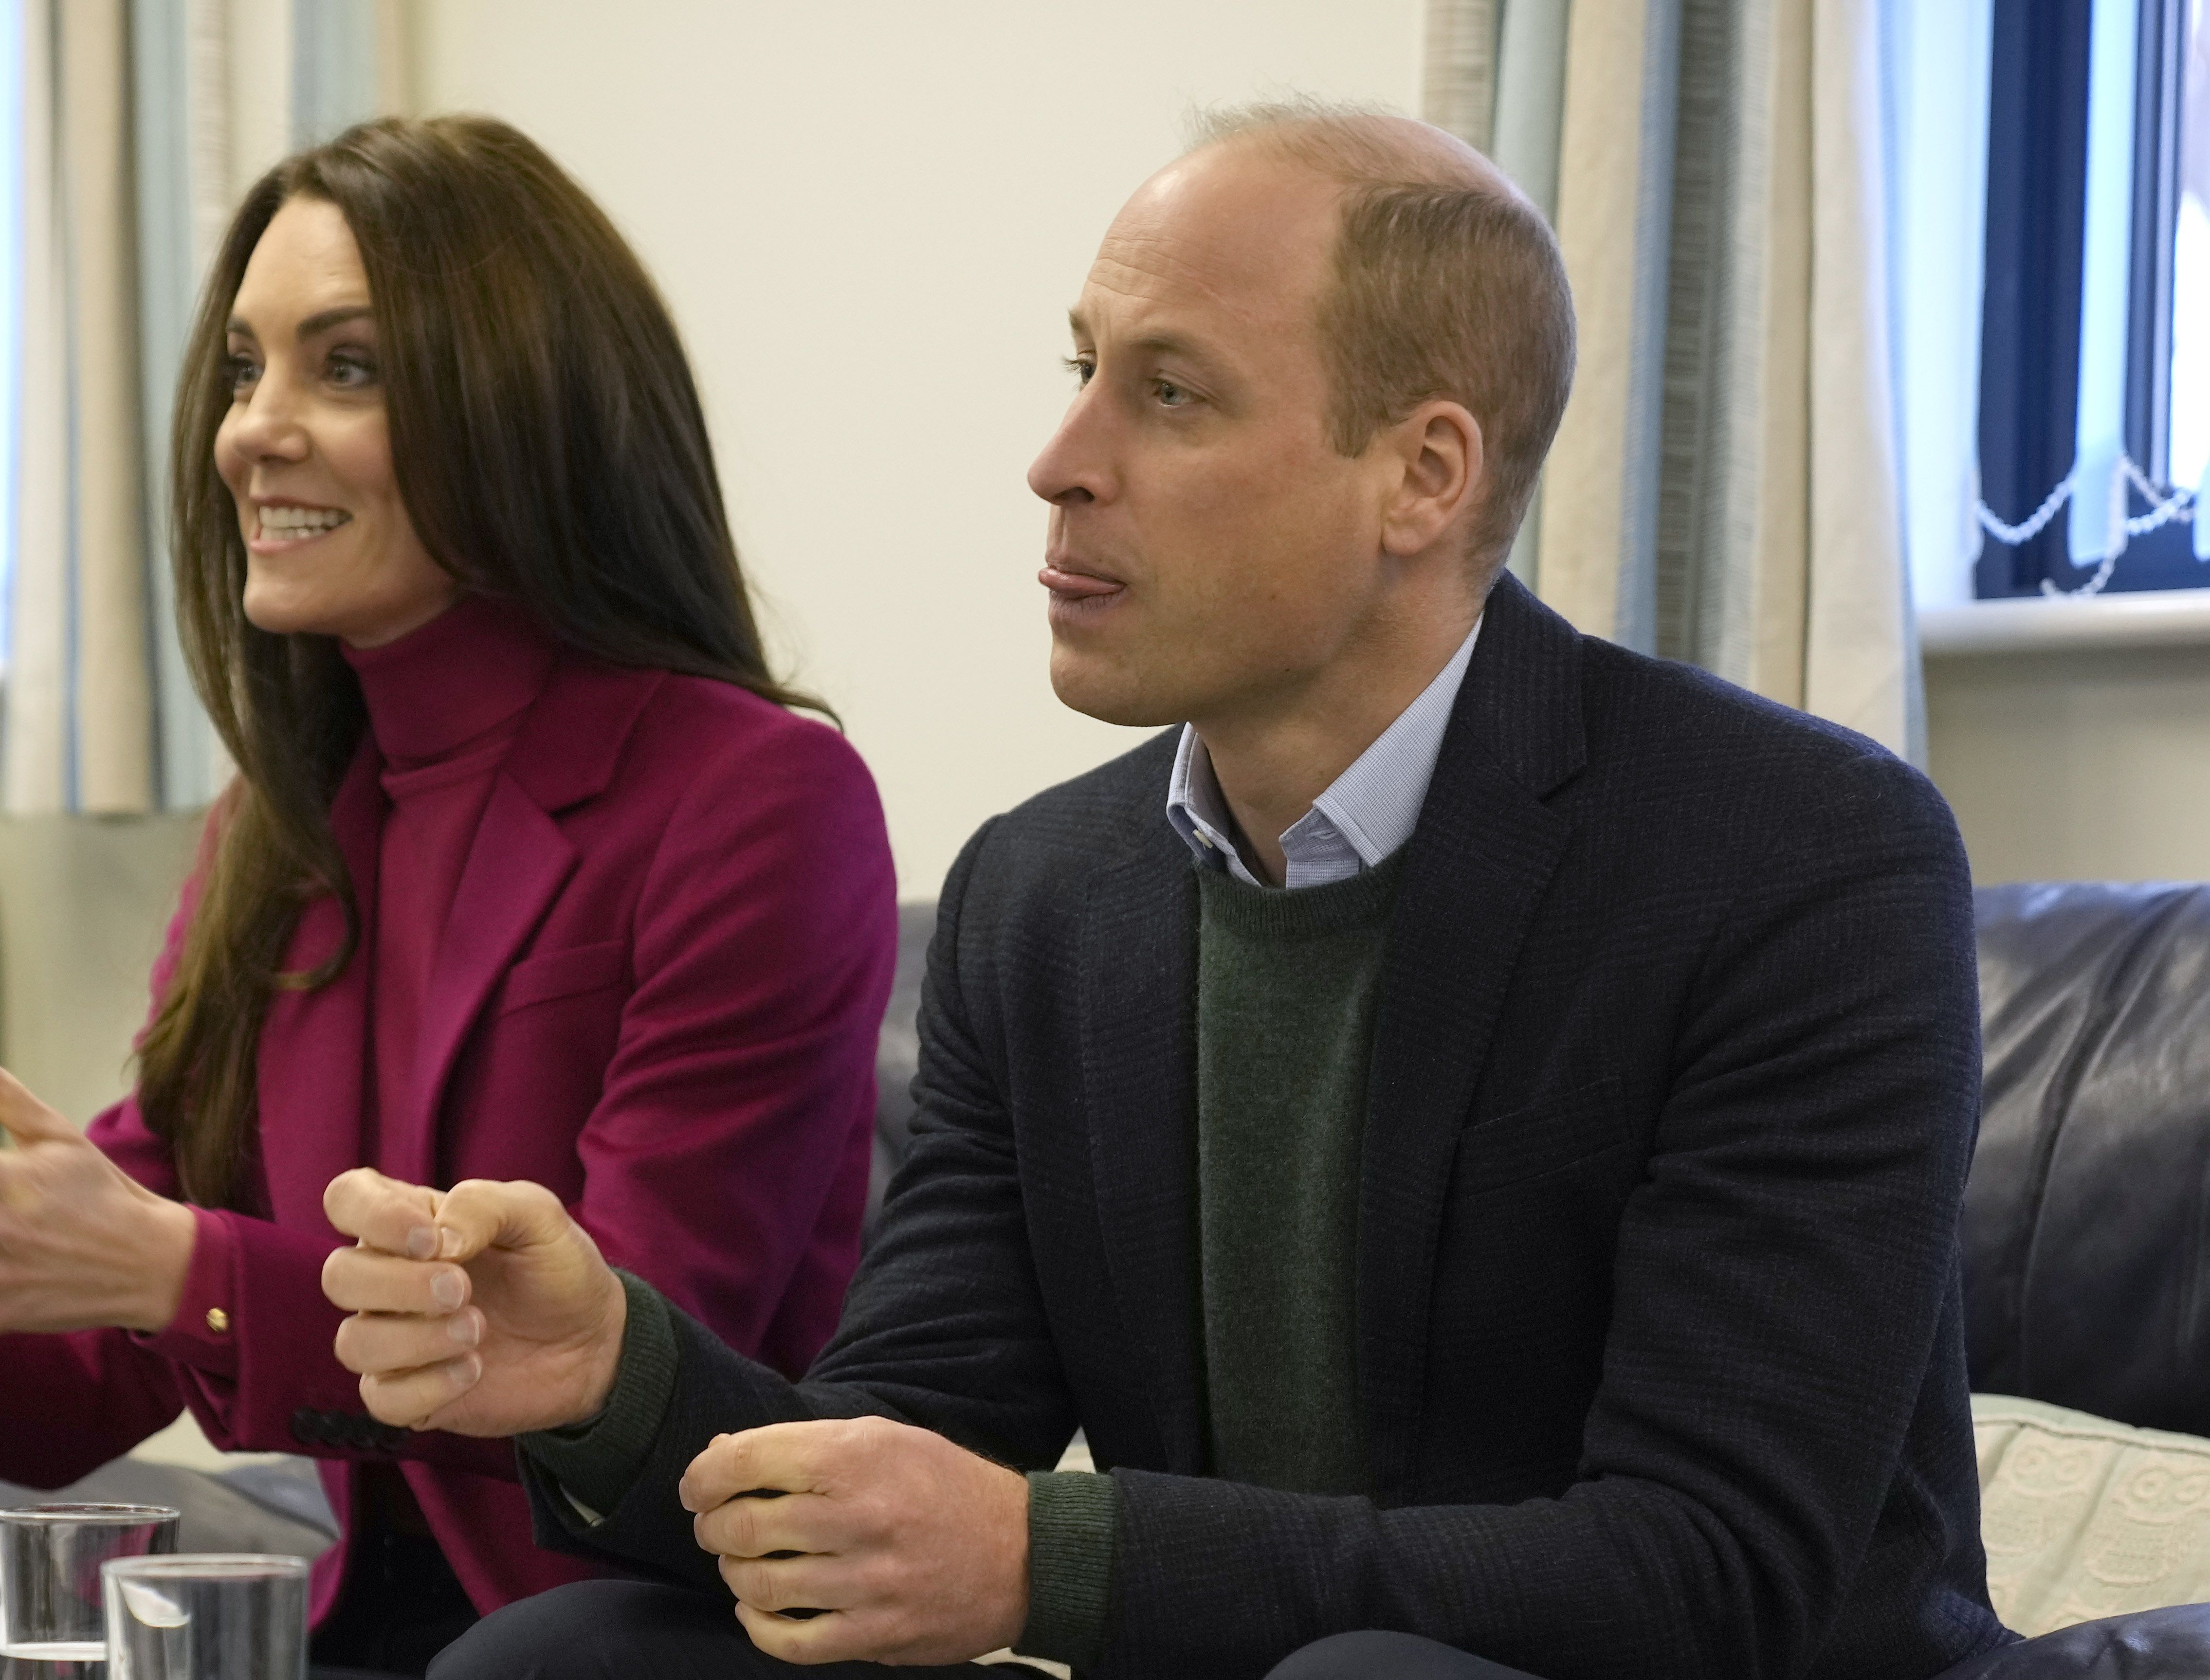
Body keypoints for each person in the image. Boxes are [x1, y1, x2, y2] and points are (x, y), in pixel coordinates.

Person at [314, 102, 2014, 1680]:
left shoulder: (1797, 861)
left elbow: (1709, 1568)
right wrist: (613, 1376)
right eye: (1083, 369)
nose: (1059, 458)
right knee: (568, 1660)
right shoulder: (1042, 894)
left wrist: (1050, 1555)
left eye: (1172, 393)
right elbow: (908, 1452)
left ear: (1422, 475)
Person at [0, 115, 895, 1680]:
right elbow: (94, 1353)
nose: (252, 431)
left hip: (636, 1626)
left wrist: (191, 1273)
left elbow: (624, 1345)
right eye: (245, 369)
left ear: (523, 404)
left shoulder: (754, 796)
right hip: (375, 1635)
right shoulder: (286, 823)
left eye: (346, 368)